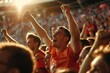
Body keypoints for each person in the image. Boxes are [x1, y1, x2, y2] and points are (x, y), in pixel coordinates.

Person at [24, 4, 82, 73]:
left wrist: (68, 14)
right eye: (55, 33)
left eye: (58, 33)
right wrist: (31, 19)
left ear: (65, 39)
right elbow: (43, 36)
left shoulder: (71, 52)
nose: (54, 35)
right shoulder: (53, 50)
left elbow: (75, 36)